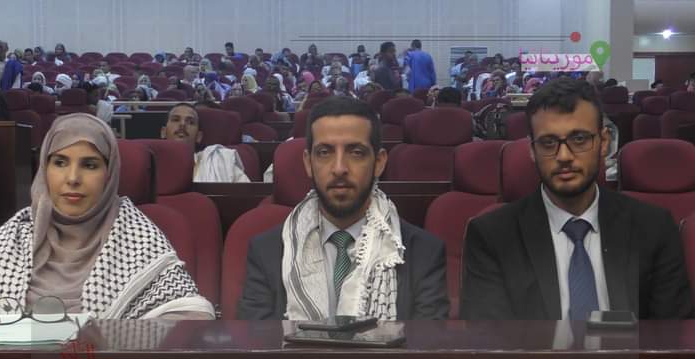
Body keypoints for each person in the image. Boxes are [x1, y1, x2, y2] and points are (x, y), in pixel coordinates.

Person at [460, 77, 693, 320]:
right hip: (534, 348)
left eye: (579, 139)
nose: (564, 156)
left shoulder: (653, 227)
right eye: (548, 143)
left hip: (631, 347)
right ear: (532, 150)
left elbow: (670, 334)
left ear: (604, 143)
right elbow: (490, 337)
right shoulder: (493, 235)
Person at [0, 113, 215, 319]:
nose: (72, 178)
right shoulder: (13, 237)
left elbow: (192, 315)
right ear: (44, 170)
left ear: (109, 175)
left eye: (89, 165)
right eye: (60, 162)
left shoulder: (138, 237)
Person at [238, 96, 449, 320]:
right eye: (324, 152)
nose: (339, 168)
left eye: (356, 152)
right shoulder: (267, 251)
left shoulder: (424, 253)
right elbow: (257, 339)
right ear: (308, 163)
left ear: (379, 162)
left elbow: (425, 342)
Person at [161, 103, 249, 183]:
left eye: (191, 122)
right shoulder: (153, 164)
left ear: (199, 137)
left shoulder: (220, 162)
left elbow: (246, 192)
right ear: (163, 132)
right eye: (176, 120)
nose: (182, 124)